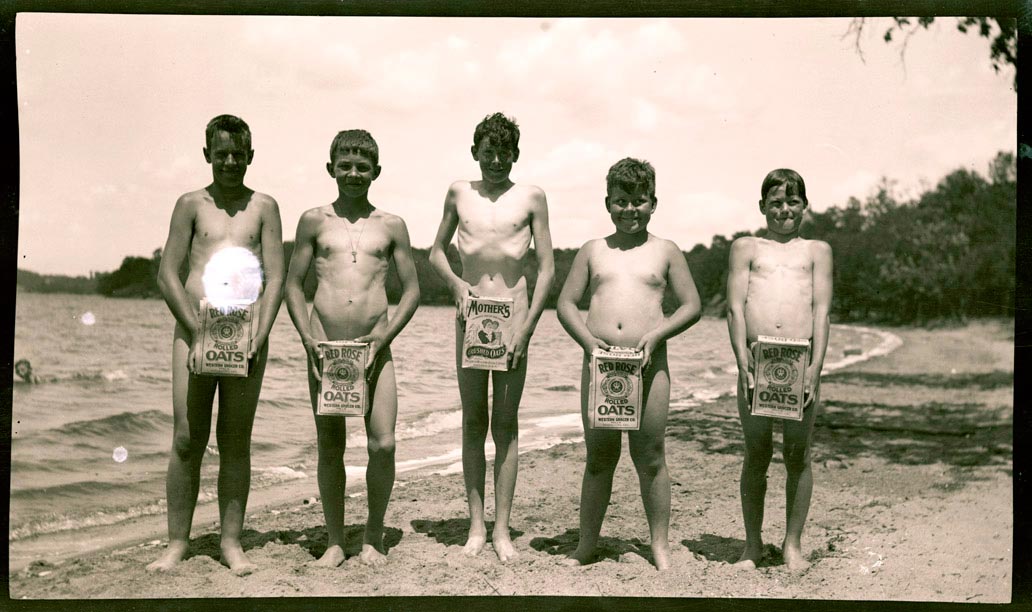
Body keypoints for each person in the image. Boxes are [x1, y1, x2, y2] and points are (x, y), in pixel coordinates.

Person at [148, 114, 284, 575]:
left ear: (250, 155)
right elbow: (167, 274)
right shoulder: (190, 204)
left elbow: (277, 278)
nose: (230, 161)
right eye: (221, 153)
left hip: (247, 335)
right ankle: (176, 543)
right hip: (193, 328)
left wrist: (261, 335)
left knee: (235, 439)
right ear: (207, 154)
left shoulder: (264, 206)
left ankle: (230, 542)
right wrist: (193, 329)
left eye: (238, 154)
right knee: (187, 438)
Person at [556, 157, 700, 571]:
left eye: (639, 200)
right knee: (599, 458)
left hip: (649, 366)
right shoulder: (592, 250)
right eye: (621, 201)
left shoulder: (666, 251)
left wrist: (657, 334)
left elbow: (692, 305)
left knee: (651, 456)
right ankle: (586, 545)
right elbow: (566, 303)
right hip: (600, 365)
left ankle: (660, 546)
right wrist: (588, 343)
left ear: (654, 203)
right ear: (607, 203)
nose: (630, 209)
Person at [284, 129, 420, 567]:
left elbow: (412, 291)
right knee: (330, 447)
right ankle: (335, 541)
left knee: (383, 444)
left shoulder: (392, 225)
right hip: (324, 348)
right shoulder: (313, 221)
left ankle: (374, 537)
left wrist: (384, 336)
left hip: (375, 350)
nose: (354, 173)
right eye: (345, 165)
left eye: (363, 166)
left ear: (376, 171)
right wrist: (307, 339)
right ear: (331, 169)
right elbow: (291, 284)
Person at [428, 112, 555, 561]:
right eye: (488, 152)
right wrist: (457, 286)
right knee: (472, 422)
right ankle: (476, 527)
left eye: (505, 153)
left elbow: (547, 268)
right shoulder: (459, 192)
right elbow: (435, 253)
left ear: (515, 155)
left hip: (514, 321)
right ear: (475, 152)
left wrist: (528, 326)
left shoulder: (532, 197)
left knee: (506, 425)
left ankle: (502, 530)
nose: (496, 160)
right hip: (470, 318)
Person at [726, 168, 832, 571]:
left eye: (792, 202)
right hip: (756, 360)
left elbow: (822, 311)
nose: (784, 210)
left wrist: (815, 368)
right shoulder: (745, 248)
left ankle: (792, 545)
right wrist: (742, 361)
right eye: (776, 202)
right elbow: (735, 308)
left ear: (804, 205)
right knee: (756, 453)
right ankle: (752, 545)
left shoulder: (817, 250)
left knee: (797, 454)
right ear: (762, 207)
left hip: (800, 360)